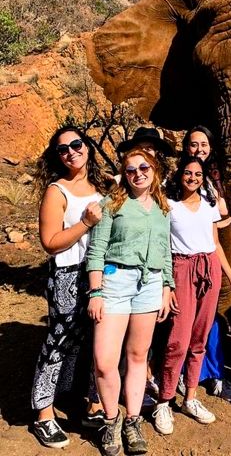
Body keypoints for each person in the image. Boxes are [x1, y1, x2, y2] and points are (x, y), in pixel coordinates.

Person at [86, 149, 174, 456]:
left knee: (138, 356)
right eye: (131, 169)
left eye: (144, 167)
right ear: (124, 174)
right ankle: (111, 420)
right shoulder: (111, 204)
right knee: (105, 360)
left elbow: (166, 254)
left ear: (154, 170)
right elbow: (96, 252)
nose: (138, 173)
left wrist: (166, 287)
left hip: (150, 285)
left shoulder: (163, 209)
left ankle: (132, 422)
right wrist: (96, 292)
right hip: (115, 283)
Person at [153, 156, 231, 436]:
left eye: (197, 173)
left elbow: (216, 245)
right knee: (177, 340)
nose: (192, 177)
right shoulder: (168, 207)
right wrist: (165, 284)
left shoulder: (209, 207)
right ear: (180, 175)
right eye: (188, 172)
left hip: (210, 270)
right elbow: (161, 247)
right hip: (181, 268)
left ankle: (190, 397)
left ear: (203, 177)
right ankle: (164, 401)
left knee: (200, 338)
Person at [32, 125, 108, 449]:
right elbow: (50, 243)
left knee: (94, 340)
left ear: (87, 146)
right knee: (59, 341)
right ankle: (44, 415)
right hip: (66, 275)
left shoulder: (102, 186)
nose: (71, 151)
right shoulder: (56, 191)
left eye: (76, 144)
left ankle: (89, 403)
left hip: (100, 274)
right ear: (58, 157)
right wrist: (85, 224)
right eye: (63, 149)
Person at [182, 125, 231, 401]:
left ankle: (215, 374)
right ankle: (183, 375)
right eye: (194, 144)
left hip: (208, 260)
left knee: (210, 321)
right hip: (181, 263)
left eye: (204, 145)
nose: (199, 149)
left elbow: (221, 215)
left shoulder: (213, 181)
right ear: (186, 147)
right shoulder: (177, 180)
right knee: (181, 323)